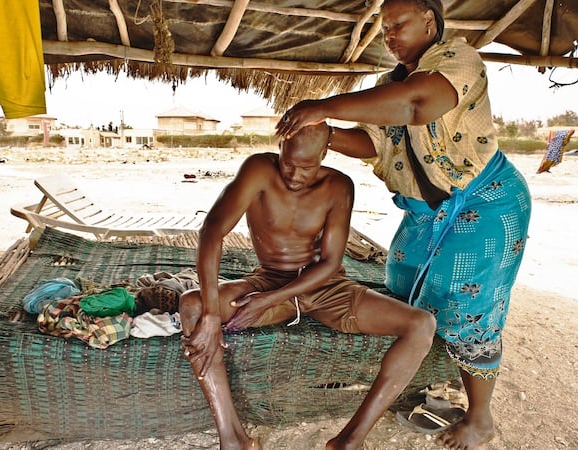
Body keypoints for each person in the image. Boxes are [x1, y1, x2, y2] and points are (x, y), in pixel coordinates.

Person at [275, 1, 532, 449]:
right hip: (424, 212)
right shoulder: (386, 86)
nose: (389, 35)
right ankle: (428, 372)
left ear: (429, 21)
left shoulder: (457, 60)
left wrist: (323, 105)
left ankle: (479, 418)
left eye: (398, 25)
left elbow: (416, 106)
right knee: (403, 281)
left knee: (467, 305)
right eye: (384, 28)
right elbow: (373, 143)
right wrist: (328, 135)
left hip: (485, 203)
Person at [179, 122, 437, 450]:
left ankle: (349, 441)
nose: (295, 175)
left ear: (324, 154)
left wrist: (270, 300)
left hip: (327, 287)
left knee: (421, 324)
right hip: (270, 278)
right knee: (193, 306)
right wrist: (213, 315)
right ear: (280, 147)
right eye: (288, 163)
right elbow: (212, 231)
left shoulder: (339, 186)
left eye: (306, 166)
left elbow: (330, 262)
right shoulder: (259, 169)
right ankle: (234, 439)